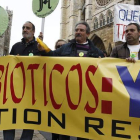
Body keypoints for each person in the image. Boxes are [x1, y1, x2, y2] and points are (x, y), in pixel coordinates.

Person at [37, 21, 104, 140]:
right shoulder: (66, 47)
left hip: (85, 97)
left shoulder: (96, 52)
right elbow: (52, 56)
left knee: (83, 132)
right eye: (76, 30)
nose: (78, 32)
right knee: (64, 131)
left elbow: (105, 69)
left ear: (88, 33)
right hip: (67, 96)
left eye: (81, 30)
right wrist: (43, 49)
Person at [3, 21, 42, 140]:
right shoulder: (16, 46)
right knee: (10, 118)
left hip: (31, 90)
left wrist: (42, 49)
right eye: (23, 27)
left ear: (33, 31)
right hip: (14, 89)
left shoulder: (39, 46)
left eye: (28, 28)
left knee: (28, 121)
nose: (25, 29)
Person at [52, 39, 67, 140]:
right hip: (55, 99)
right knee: (55, 129)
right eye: (58, 46)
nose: (60, 48)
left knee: (65, 131)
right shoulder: (51, 60)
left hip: (68, 100)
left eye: (63, 46)